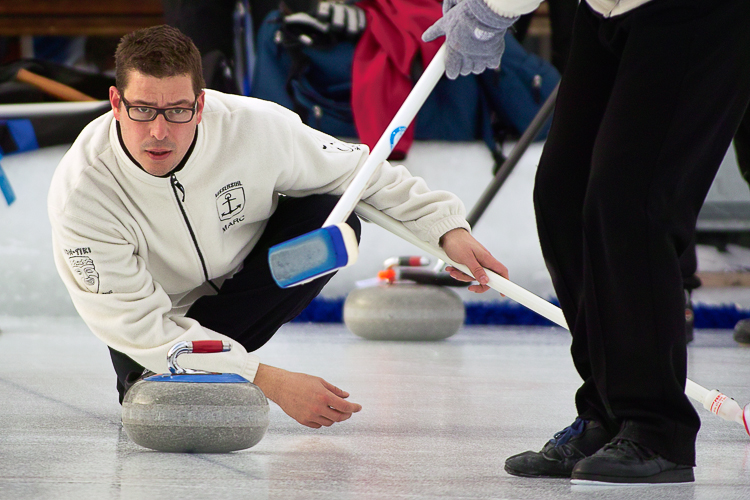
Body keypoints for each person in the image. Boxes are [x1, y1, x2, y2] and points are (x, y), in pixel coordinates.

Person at [48, 25, 508, 430]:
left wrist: (447, 231)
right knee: (161, 388)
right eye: (143, 110)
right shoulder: (85, 194)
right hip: (156, 329)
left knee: (335, 214)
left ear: (202, 103)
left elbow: (362, 174)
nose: (160, 132)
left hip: (249, 285)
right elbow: (141, 329)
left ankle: (205, 368)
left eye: (178, 111)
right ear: (115, 102)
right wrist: (271, 381)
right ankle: (168, 375)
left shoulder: (254, 128)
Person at [424, 0, 750, 485]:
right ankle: (608, 413)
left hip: (694, 14)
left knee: (631, 203)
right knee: (563, 196)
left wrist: (492, 9)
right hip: (603, 11)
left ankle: (657, 428)